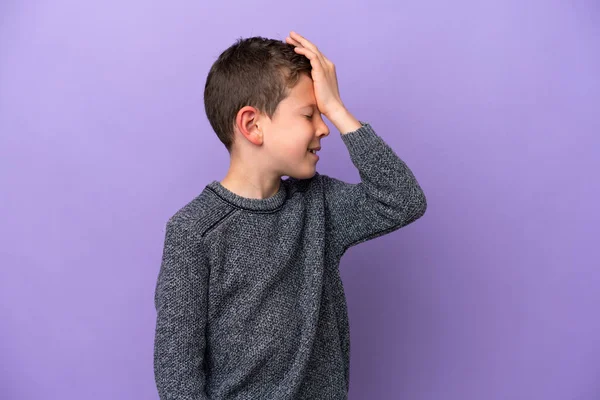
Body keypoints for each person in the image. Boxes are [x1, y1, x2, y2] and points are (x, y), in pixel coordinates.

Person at [153, 31, 427, 400]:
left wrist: (339, 108)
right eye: (309, 114)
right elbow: (177, 375)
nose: (323, 128)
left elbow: (402, 199)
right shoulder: (194, 233)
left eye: (324, 113)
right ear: (252, 125)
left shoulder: (321, 205)